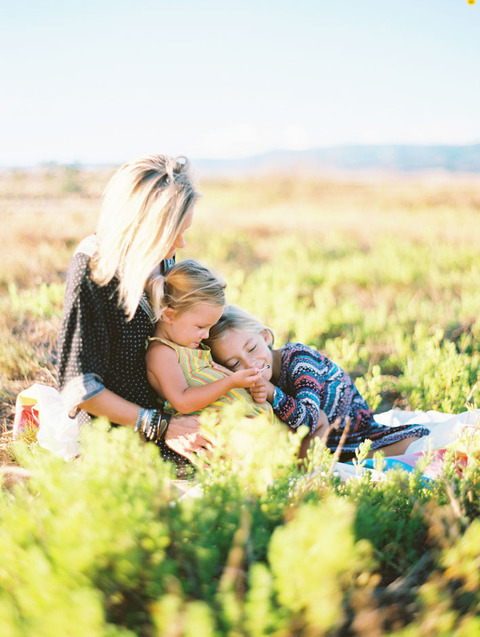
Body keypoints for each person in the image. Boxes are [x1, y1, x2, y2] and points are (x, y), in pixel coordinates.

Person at [56, 154, 210, 463]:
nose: (180, 243)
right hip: (122, 433)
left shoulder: (160, 257)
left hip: (173, 403)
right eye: (173, 232)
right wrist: (161, 426)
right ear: (141, 225)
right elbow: (80, 388)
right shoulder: (93, 268)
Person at [204, 305, 431, 461]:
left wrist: (272, 393)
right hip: (323, 442)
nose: (250, 364)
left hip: (356, 433)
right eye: (235, 363)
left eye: (252, 349)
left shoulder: (300, 361)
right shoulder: (245, 381)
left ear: (265, 336)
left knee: (411, 446)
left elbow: (311, 420)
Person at [144, 259, 279, 425]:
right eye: (201, 326)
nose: (206, 335)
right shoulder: (162, 353)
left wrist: (248, 386)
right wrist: (231, 382)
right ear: (169, 315)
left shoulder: (191, 345)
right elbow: (183, 401)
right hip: (230, 432)